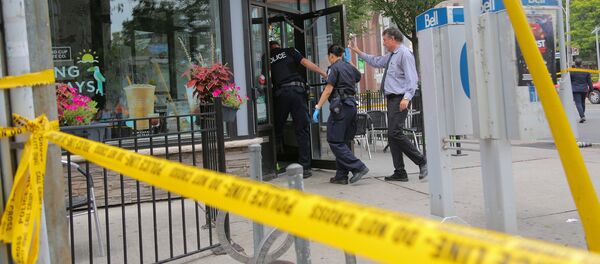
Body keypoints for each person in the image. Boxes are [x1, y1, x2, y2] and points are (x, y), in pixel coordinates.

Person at [349, 27, 428, 182]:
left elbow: (412, 79)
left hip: (400, 99)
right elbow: (376, 61)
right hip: (392, 100)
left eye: (385, 40)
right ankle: (400, 171)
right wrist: (358, 51)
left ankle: (422, 161)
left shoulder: (404, 54)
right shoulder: (392, 56)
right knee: (392, 137)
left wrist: (406, 98)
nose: (384, 43)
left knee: (395, 133)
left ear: (392, 39)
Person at [269, 41, 327, 178]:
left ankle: (274, 165)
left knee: (277, 129)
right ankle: (305, 167)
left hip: (280, 93)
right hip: (297, 91)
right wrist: (323, 72)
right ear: (279, 46)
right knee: (302, 129)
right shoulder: (289, 51)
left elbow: (266, 78)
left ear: (270, 48)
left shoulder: (267, 57)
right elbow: (306, 63)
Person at [312, 44, 369, 185]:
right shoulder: (348, 66)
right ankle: (341, 175)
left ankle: (359, 167)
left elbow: (328, 90)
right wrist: (349, 61)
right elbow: (357, 76)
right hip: (351, 107)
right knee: (342, 141)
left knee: (334, 140)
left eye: (329, 57)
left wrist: (318, 107)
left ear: (331, 55)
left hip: (341, 108)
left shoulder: (334, 68)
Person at [570, 58, 593, 123]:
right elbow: (589, 81)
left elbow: (569, 81)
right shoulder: (586, 71)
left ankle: (582, 116)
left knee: (578, 103)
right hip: (584, 89)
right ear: (581, 63)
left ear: (575, 64)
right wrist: (592, 89)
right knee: (583, 103)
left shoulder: (572, 71)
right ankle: (582, 116)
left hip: (575, 90)